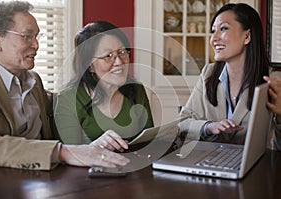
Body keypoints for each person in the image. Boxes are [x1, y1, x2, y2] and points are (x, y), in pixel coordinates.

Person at [0, 1, 129, 170]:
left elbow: (66, 105)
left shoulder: (33, 81)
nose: (36, 45)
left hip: (42, 182)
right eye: (27, 36)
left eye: (37, 36)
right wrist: (62, 152)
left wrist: (95, 145)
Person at [178, 3, 281, 148]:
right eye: (213, 31)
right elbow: (182, 122)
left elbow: (278, 149)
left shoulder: (274, 80)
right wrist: (209, 127)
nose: (214, 39)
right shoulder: (208, 73)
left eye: (223, 29)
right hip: (212, 165)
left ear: (247, 36)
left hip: (258, 169)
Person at [54, 21, 154, 152]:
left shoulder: (137, 89)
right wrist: (95, 147)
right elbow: (67, 156)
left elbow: (149, 144)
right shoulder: (68, 99)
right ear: (89, 65)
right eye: (108, 56)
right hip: (87, 172)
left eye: (122, 52)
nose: (119, 62)